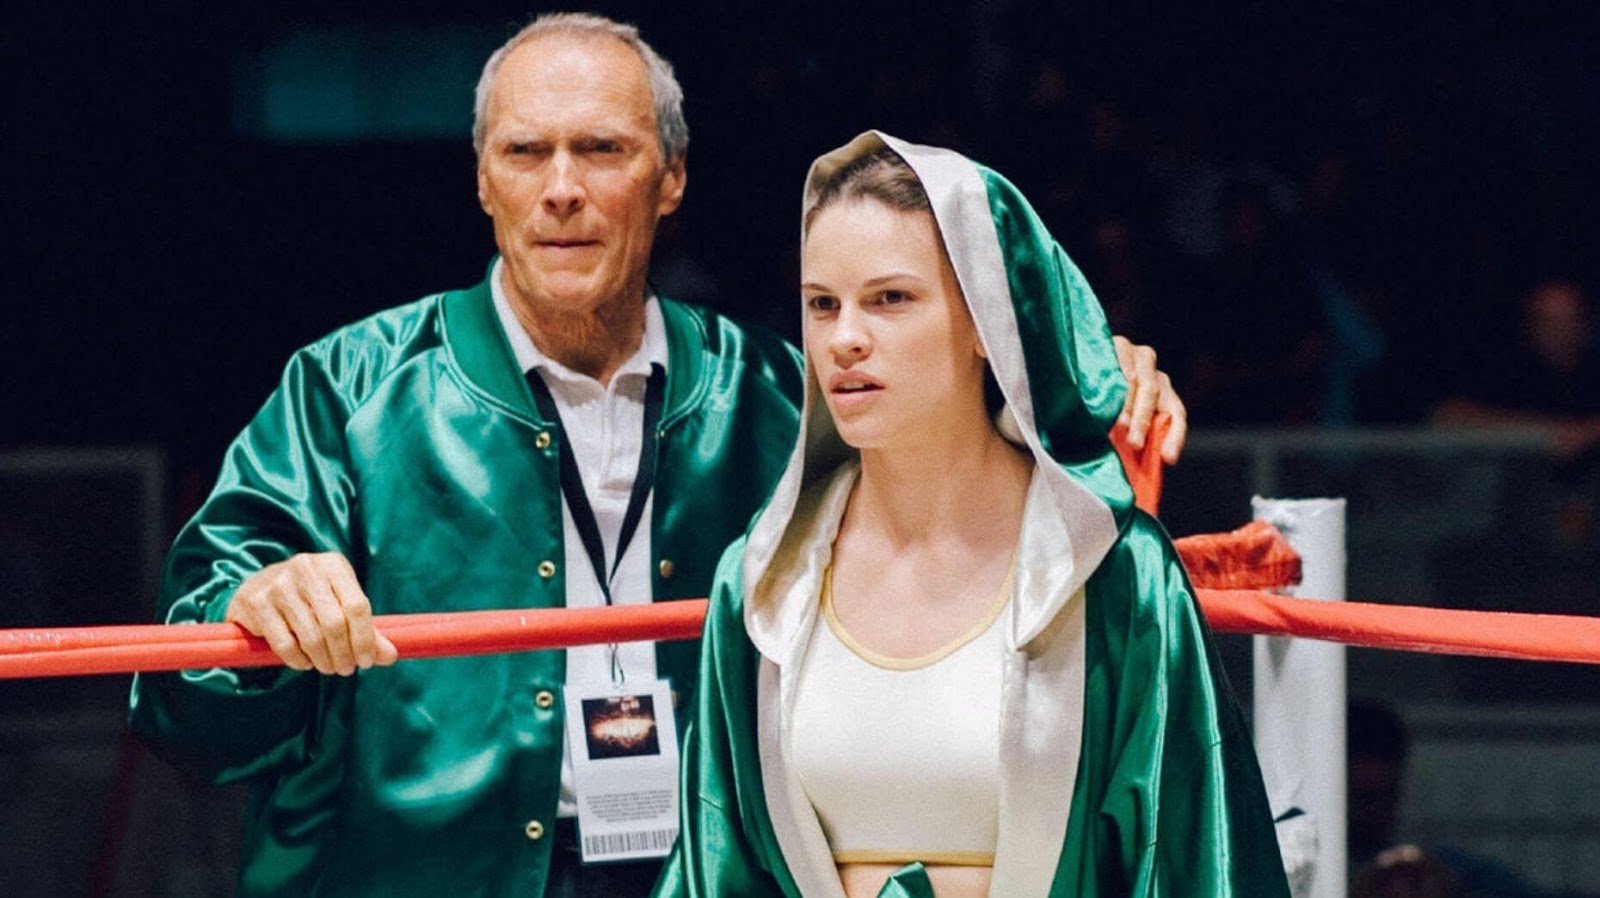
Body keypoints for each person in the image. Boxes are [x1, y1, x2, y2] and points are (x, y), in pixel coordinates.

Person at [127, 14, 1187, 898]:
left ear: (670, 177)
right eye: (525, 152)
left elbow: (975, 450)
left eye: (602, 149)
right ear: (482, 182)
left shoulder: (778, 394)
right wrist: (257, 610)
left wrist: (1101, 379)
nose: (561, 188)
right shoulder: (348, 391)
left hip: (711, 868)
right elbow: (184, 717)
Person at [655, 133, 1287, 898]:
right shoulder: (761, 580)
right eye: (823, 303)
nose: (846, 337)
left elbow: (1195, 863)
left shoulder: (1113, 570)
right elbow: (717, 870)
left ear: (985, 321)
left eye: (891, 298)